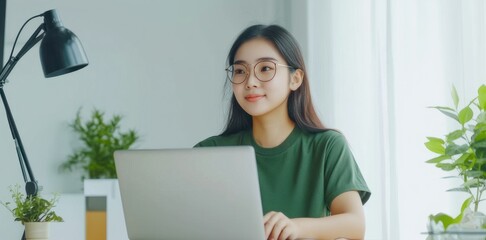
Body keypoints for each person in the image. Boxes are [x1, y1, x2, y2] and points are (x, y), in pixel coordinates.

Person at [194, 24, 371, 240]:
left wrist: (296, 228)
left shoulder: (327, 145)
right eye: (240, 71)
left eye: (265, 69)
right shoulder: (209, 152)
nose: (250, 82)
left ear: (295, 79)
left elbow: (355, 225)